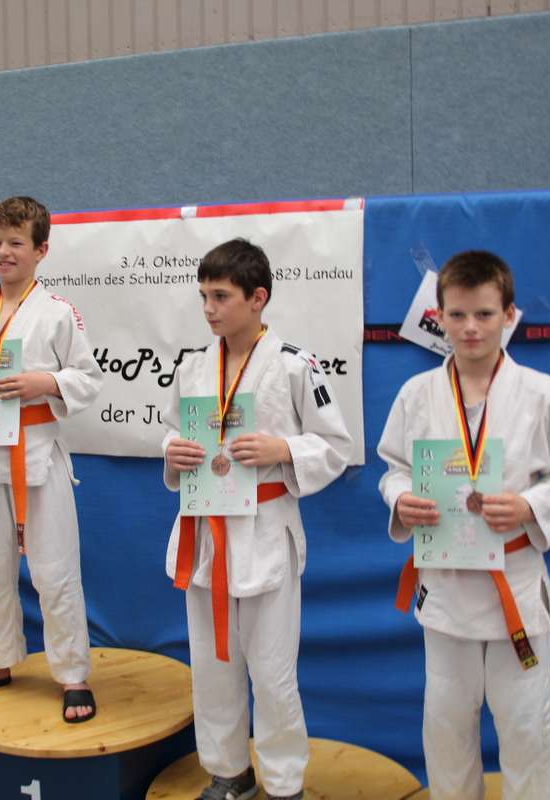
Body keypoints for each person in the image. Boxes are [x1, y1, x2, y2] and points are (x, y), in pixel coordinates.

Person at [377, 250, 550, 800]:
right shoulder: (416, 394)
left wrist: (529, 506)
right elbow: (394, 469)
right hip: (446, 588)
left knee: (528, 727)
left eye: (484, 314)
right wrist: (402, 499)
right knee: (447, 727)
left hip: (513, 585)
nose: (470, 327)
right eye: (457, 315)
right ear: (438, 317)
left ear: (509, 315)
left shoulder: (540, 393)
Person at [162, 239, 352, 800]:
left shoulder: (295, 365)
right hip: (205, 530)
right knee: (212, 665)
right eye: (204, 296)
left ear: (257, 297)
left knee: (272, 672)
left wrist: (284, 449)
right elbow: (171, 430)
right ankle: (229, 771)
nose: (209, 308)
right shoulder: (194, 366)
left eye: (221, 296)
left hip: (266, 531)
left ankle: (285, 783)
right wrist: (173, 450)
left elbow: (336, 446)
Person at [0, 196, 102, 723]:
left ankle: (72, 673)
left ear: (41, 250)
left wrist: (45, 382)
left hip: (38, 457)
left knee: (54, 572)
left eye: (15, 243)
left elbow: (88, 378)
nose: (3, 252)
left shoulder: (58, 313)